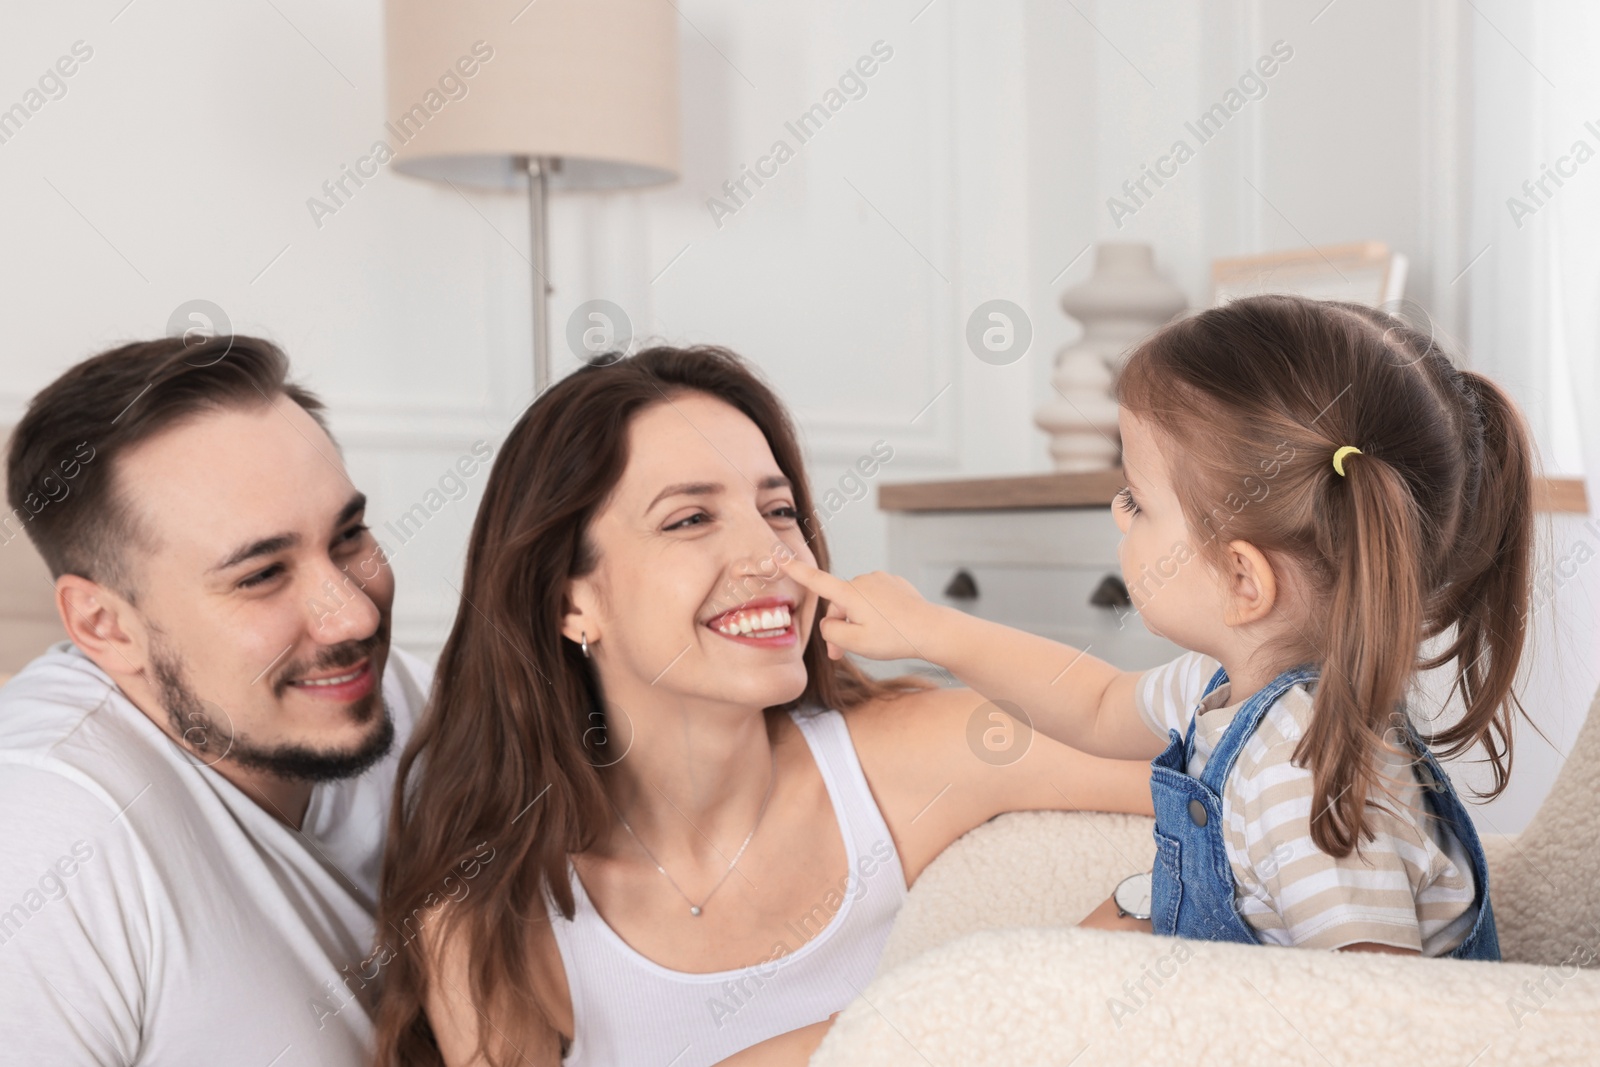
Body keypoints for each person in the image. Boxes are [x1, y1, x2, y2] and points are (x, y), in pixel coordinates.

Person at [373, 344, 1156, 1066]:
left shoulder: (912, 758)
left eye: (778, 511)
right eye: (689, 518)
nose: (772, 556)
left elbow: (1235, 757)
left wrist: (1095, 937)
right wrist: (954, 1008)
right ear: (571, 602)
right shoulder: (491, 914)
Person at [788, 294, 1534, 960]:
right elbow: (1092, 702)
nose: (1119, 513)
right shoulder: (1230, 689)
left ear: (1243, 579)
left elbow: (1373, 1023)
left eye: (1138, 500)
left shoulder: (1307, 783)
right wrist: (930, 629)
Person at [0, 335, 433, 1064]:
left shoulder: (405, 697)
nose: (354, 616)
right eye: (263, 574)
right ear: (106, 626)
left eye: (349, 534)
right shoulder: (43, 840)